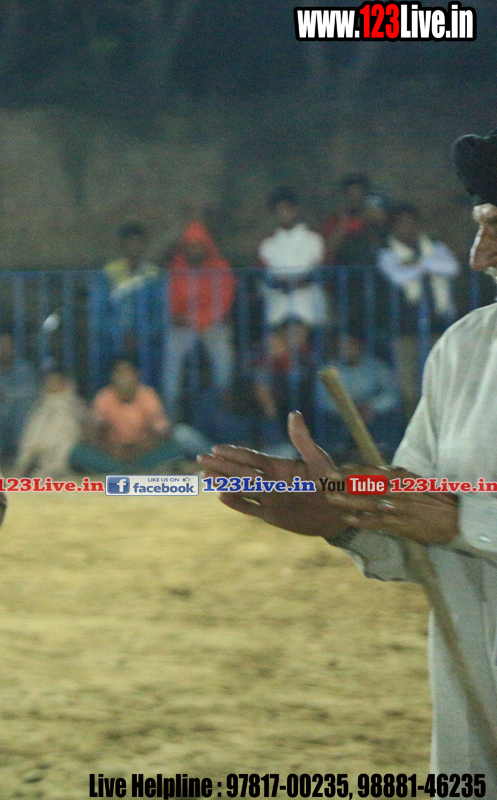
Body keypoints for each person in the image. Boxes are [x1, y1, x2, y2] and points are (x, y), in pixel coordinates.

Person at [197, 127, 497, 773]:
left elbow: (448, 520)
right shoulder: (465, 350)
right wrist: (344, 513)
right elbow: (418, 528)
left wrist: (464, 520)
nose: (479, 257)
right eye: (480, 226)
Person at [377, 204, 460, 416]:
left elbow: (452, 268)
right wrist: (427, 265)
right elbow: (398, 276)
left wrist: (417, 264)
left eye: (410, 222)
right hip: (405, 330)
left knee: (443, 383)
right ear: (393, 227)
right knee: (409, 389)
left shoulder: (435, 247)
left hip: (438, 325)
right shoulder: (387, 253)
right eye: (401, 223)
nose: (407, 227)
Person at [71, 357, 207, 474]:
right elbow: (94, 435)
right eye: (119, 373)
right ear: (112, 377)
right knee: (78, 453)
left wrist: (139, 448)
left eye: (127, 373)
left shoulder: (147, 395)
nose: (123, 379)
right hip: (114, 456)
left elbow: (161, 434)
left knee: (177, 444)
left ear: (137, 376)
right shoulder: (104, 397)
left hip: (144, 455)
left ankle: (127, 472)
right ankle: (131, 472)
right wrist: (112, 449)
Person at [161, 220, 237, 420]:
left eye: (198, 245)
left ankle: (224, 406)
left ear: (207, 246)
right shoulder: (176, 269)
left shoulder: (220, 267)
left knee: (223, 354)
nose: (194, 250)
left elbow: (223, 302)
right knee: (171, 356)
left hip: (212, 324)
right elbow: (173, 306)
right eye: (191, 246)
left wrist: (200, 320)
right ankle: (171, 414)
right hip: (185, 325)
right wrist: (189, 319)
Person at [314, 333, 402, 462]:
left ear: (360, 345)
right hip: (340, 418)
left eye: (351, 345)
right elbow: (322, 399)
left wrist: (371, 407)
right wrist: (347, 410)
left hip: (372, 416)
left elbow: (392, 394)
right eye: (343, 345)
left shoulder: (377, 367)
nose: (347, 349)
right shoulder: (328, 369)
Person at [259, 188, 326, 328]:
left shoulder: (313, 239)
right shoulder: (268, 244)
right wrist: (283, 284)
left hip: (308, 308)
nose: (284, 214)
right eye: (279, 210)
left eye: (287, 209)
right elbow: (265, 276)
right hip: (278, 309)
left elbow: (318, 271)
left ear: (296, 210)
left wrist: (295, 283)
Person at [250, 318, 317, 458]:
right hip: (274, 404)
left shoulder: (308, 354)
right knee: (262, 387)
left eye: (301, 334)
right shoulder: (266, 355)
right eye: (294, 334)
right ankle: (276, 442)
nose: (298, 338)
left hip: (302, 403)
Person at [104, 221, 163, 354]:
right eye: (130, 242)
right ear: (122, 245)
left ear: (144, 245)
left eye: (138, 242)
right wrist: (119, 334)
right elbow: (100, 312)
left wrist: (143, 335)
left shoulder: (153, 274)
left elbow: (159, 311)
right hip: (113, 340)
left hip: (147, 340)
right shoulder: (108, 273)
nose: (134, 246)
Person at [12, 370, 86, 478]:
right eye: (49, 382)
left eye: (56, 382)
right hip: (40, 455)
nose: (51, 385)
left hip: (69, 452)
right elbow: (31, 437)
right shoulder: (40, 407)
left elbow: (75, 429)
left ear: (65, 384)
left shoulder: (73, 404)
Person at [0, 332, 39, 460]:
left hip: (18, 409)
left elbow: (32, 392)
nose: (4, 351)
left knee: (23, 412)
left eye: (8, 347)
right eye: (0, 346)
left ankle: (22, 458)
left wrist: (6, 394)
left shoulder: (24, 369)